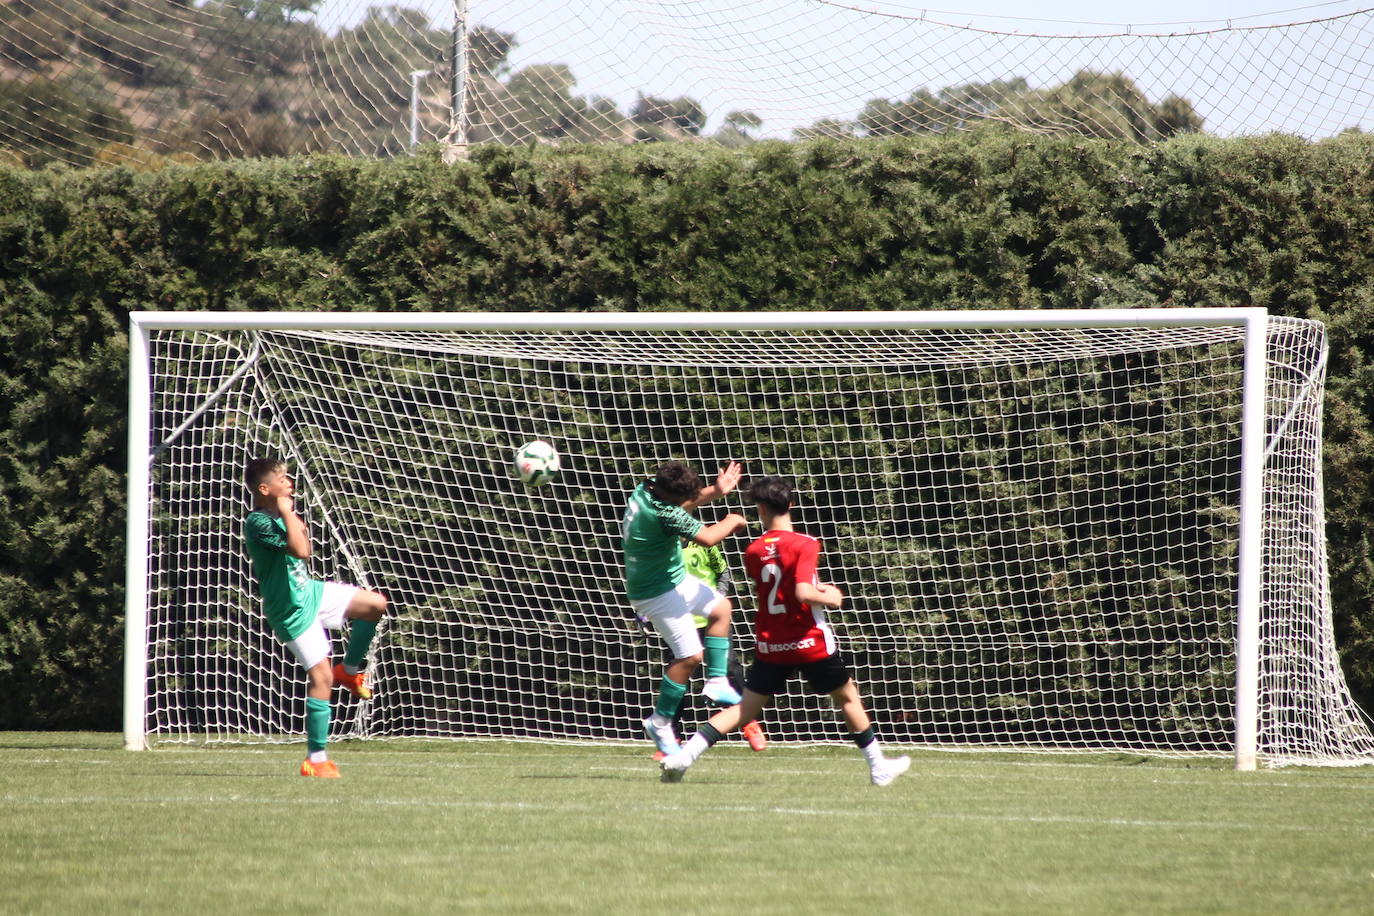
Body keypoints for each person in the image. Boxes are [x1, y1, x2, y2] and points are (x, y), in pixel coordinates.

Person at [660, 475, 911, 787]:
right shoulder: (806, 544)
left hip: (771, 643)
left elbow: (777, 585)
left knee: (744, 709)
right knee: (848, 697)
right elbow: (803, 592)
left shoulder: (753, 551)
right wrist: (830, 596)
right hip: (808, 641)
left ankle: (684, 757)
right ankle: (878, 767)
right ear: (791, 505)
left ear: (761, 510)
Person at [242, 457, 387, 778]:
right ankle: (316, 760)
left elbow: (302, 543)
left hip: (309, 592)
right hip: (290, 610)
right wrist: (288, 511)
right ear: (265, 488)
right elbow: (302, 550)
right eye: (282, 478)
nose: (289, 481)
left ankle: (349, 672)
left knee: (376, 604)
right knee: (321, 679)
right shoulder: (257, 522)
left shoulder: (278, 514)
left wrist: (287, 512)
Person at [622, 459, 750, 755]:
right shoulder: (663, 513)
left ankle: (717, 680)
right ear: (672, 497)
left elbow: (683, 502)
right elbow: (707, 537)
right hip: (656, 592)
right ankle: (660, 721)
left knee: (721, 609)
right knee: (690, 656)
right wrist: (732, 520)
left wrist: (716, 491)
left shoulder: (646, 489)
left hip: (672, 580)